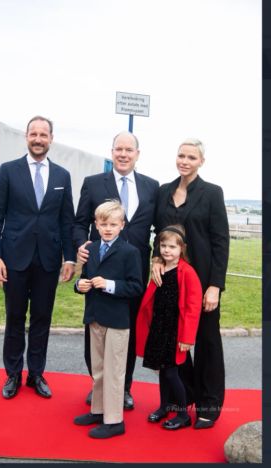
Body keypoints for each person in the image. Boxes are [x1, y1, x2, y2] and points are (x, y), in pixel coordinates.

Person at [0, 116, 76, 399]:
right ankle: (13, 373)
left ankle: (36, 374)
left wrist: (70, 258)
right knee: (14, 317)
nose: (38, 139)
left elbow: (66, 221)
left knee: (41, 318)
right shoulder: (8, 171)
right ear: (26, 137)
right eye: (33, 134)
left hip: (48, 261)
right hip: (13, 259)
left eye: (44, 134)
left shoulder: (62, 176)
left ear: (51, 138)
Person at [73, 131, 158, 410]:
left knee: (127, 329)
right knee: (95, 328)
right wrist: (80, 245)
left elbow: (160, 227)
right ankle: (97, 385)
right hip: (99, 265)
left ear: (137, 154)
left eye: (129, 150)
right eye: (118, 149)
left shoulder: (151, 186)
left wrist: (158, 257)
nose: (123, 154)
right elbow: (79, 222)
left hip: (134, 270)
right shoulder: (94, 183)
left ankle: (123, 388)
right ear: (112, 152)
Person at [151, 138, 229, 429]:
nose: (185, 161)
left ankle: (209, 405)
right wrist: (156, 259)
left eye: (191, 157)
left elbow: (221, 241)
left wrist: (215, 286)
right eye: (181, 155)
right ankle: (180, 401)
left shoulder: (211, 193)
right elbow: (158, 234)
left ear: (201, 162)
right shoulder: (163, 192)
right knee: (173, 345)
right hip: (170, 281)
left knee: (207, 342)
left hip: (202, 281)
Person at [72, 200, 144, 439]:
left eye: (113, 224)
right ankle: (99, 409)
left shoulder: (130, 252)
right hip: (94, 316)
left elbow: (136, 287)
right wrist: (79, 285)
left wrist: (110, 285)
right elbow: (84, 278)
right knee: (99, 368)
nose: (108, 228)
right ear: (96, 224)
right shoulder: (90, 249)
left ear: (122, 225)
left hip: (117, 320)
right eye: (103, 224)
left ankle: (114, 421)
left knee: (114, 371)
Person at [135, 225, 202, 430]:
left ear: (182, 248)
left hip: (175, 330)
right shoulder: (160, 268)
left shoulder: (187, 273)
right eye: (163, 246)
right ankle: (164, 406)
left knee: (172, 373)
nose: (166, 250)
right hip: (158, 328)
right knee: (162, 371)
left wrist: (187, 337)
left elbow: (192, 307)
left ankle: (183, 414)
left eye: (172, 247)